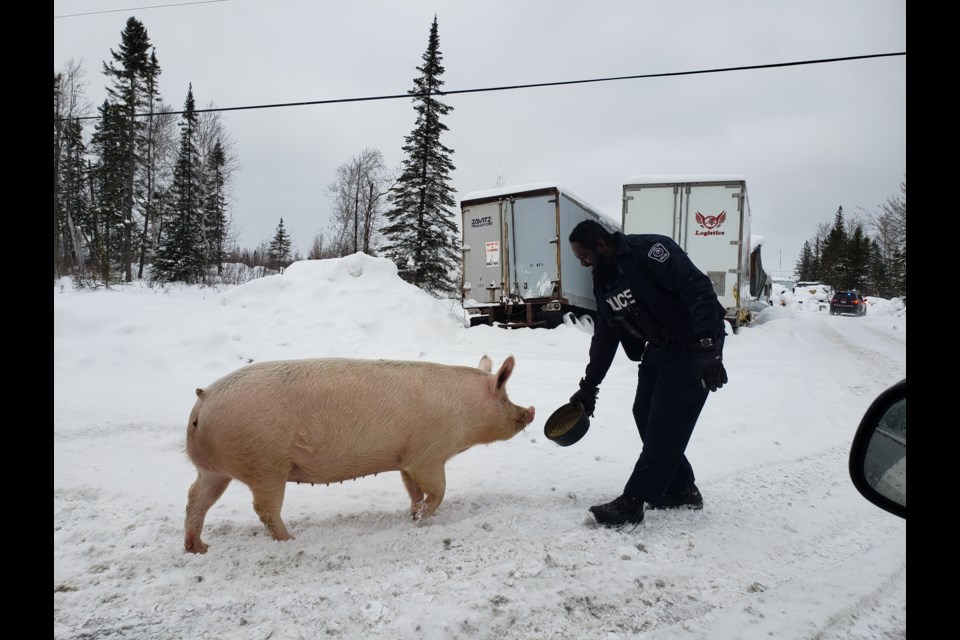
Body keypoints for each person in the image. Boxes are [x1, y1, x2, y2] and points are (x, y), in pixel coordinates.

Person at [567, 220, 728, 528]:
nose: (582, 263)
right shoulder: (604, 280)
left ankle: (633, 501)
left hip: (693, 344)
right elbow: (604, 335)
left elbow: (698, 288)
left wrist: (708, 346)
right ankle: (681, 488)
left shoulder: (651, 251)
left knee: (665, 422)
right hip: (661, 348)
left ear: (601, 245)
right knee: (643, 412)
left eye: (583, 255)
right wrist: (589, 386)